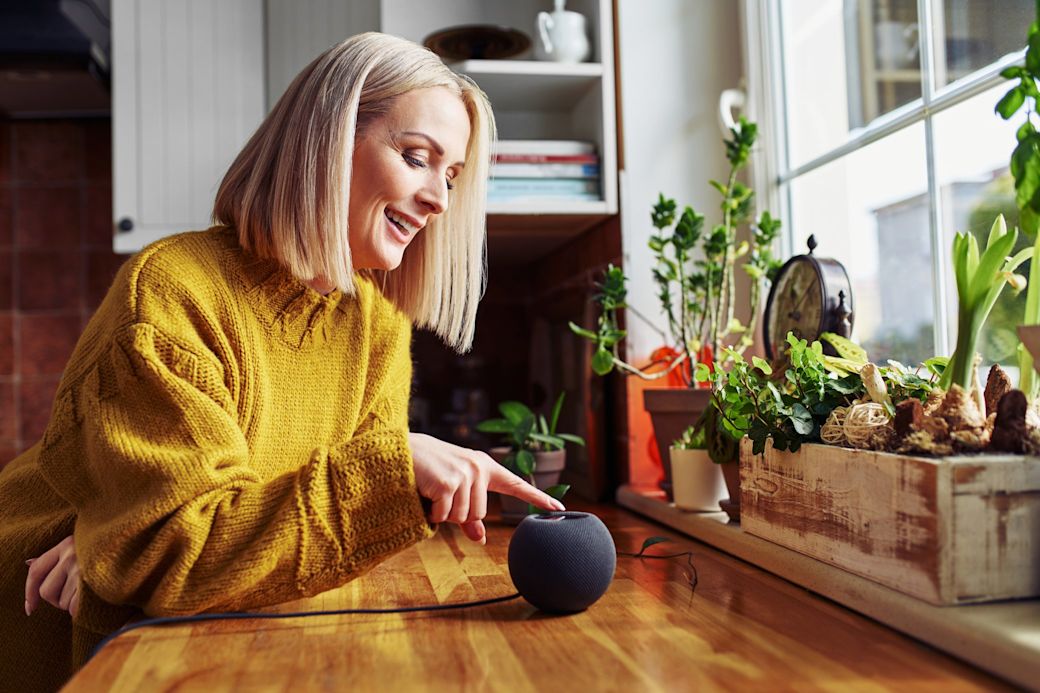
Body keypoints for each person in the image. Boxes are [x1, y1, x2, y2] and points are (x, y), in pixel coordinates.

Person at [0, 32, 563, 691]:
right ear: (327, 140)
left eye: (451, 175)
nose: (440, 198)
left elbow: (281, 541)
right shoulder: (172, 290)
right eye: (417, 157)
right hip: (35, 612)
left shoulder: (377, 329)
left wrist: (119, 546)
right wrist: (132, 545)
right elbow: (183, 553)